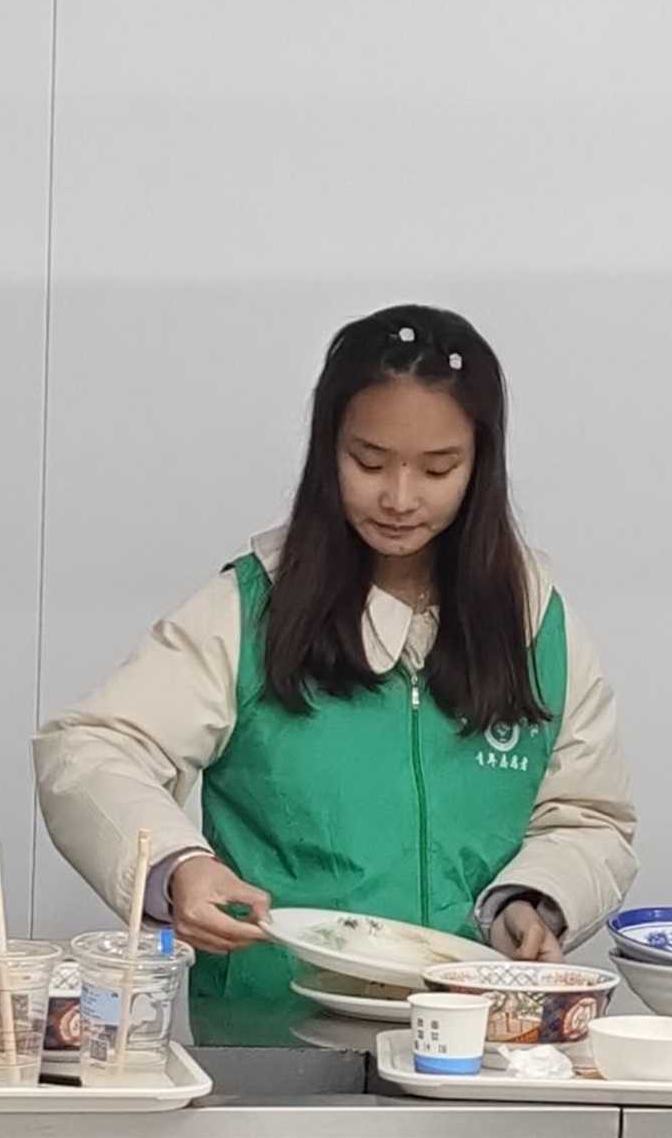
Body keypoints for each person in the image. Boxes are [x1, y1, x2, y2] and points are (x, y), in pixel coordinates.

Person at [34, 304, 636, 1000]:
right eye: (368, 462)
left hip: (472, 1031)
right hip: (277, 1036)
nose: (399, 498)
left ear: (481, 463)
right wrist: (178, 867)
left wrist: (531, 901)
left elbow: (588, 818)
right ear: (328, 451)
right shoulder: (252, 608)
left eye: (438, 469)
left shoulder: (535, 620)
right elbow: (89, 749)